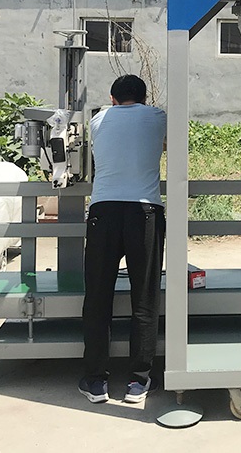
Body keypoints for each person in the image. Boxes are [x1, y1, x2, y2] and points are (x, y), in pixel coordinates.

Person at [78, 74, 166, 405]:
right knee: (144, 298)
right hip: (144, 212)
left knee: (98, 297)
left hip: (103, 212)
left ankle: (95, 381)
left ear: (112, 99)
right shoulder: (157, 117)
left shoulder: (98, 120)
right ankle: (138, 382)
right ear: (144, 98)